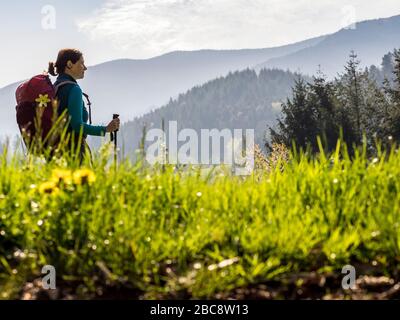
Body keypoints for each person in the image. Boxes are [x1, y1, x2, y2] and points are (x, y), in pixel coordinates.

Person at [48, 48, 120, 162]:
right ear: (69, 64)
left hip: (54, 152)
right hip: (74, 151)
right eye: (81, 63)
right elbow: (77, 125)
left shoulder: (55, 87)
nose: (85, 67)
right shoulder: (73, 89)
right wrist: (105, 129)